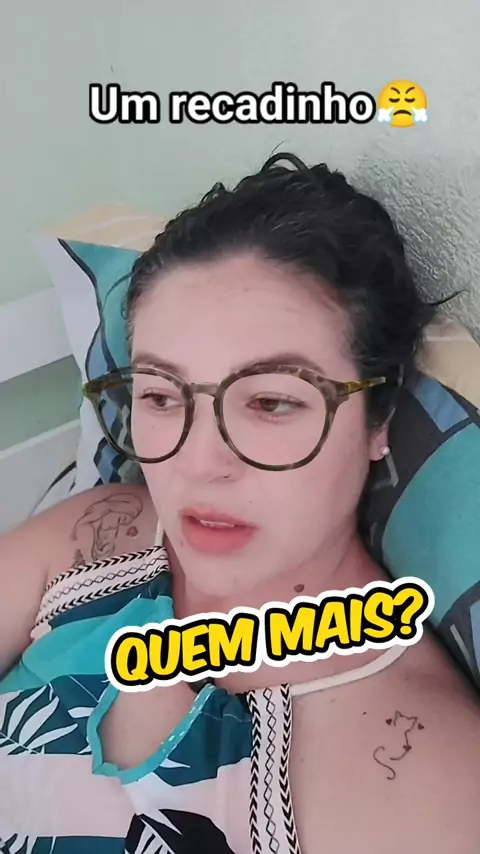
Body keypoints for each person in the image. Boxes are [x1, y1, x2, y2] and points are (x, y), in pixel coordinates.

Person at [1, 153, 479, 854]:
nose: (197, 464)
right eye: (160, 396)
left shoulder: (419, 782)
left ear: (377, 420)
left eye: (271, 403)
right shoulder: (92, 536)